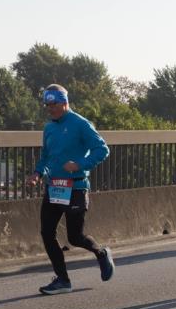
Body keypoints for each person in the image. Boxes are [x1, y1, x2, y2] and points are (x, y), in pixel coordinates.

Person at [28, 85, 115, 295]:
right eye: (47, 105)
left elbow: (102, 149)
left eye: (54, 104)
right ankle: (62, 280)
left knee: (75, 237)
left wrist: (80, 164)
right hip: (54, 187)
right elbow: (46, 157)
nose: (50, 109)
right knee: (47, 233)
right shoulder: (49, 128)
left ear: (64, 102)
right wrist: (38, 174)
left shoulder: (80, 124)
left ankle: (101, 253)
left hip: (75, 186)